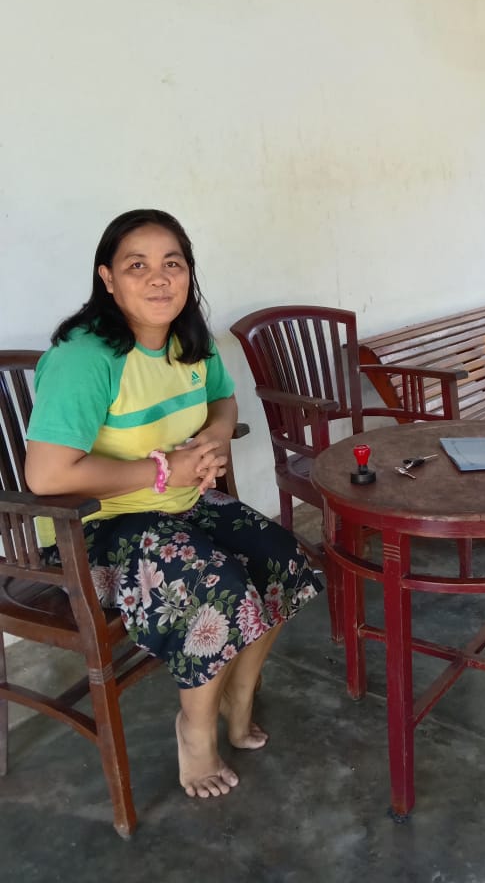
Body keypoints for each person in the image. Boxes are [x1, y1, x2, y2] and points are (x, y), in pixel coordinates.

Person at [25, 209, 321, 798]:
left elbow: (224, 402)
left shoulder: (189, 340)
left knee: (286, 561)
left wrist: (212, 439)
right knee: (216, 585)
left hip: (181, 506)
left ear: (188, 273)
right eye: (137, 265)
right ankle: (195, 729)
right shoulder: (87, 357)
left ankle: (237, 695)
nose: (159, 278)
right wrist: (164, 469)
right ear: (108, 278)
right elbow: (47, 475)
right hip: (96, 529)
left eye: (173, 264)